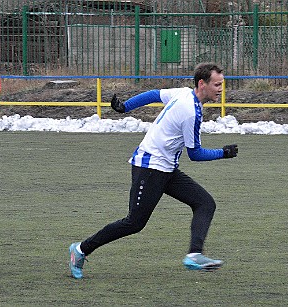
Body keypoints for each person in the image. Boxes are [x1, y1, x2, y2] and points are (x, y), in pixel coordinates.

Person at [69, 63, 238, 279]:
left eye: (222, 84)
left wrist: (125, 107)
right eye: (217, 84)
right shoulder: (190, 112)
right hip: (149, 167)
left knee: (205, 203)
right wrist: (222, 153)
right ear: (202, 83)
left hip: (165, 168)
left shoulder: (184, 93)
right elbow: (195, 154)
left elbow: (153, 94)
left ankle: (195, 254)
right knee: (134, 222)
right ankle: (80, 250)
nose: (221, 89)